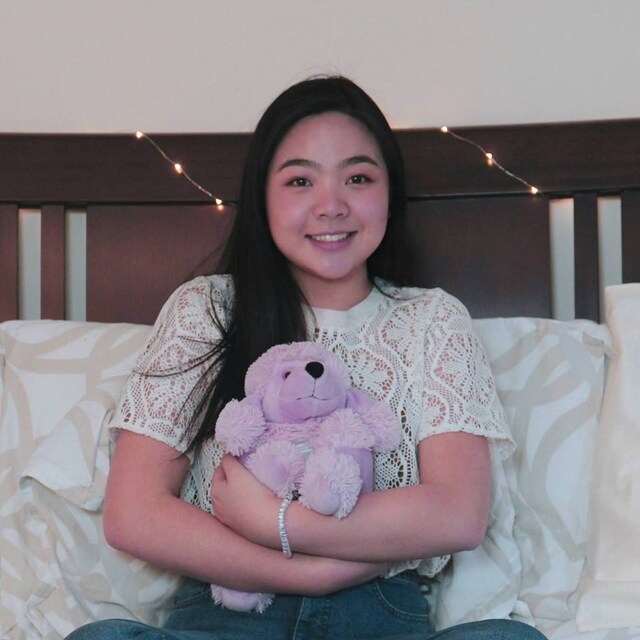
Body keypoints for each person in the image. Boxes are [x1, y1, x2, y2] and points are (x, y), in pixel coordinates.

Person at [66, 76, 544, 640]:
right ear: (262, 198)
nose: (331, 206)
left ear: (389, 193)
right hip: (224, 621)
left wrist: (274, 522)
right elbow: (133, 513)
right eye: (300, 181)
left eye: (358, 178)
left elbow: (457, 515)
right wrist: (307, 574)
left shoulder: (433, 319)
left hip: (381, 624)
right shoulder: (206, 309)